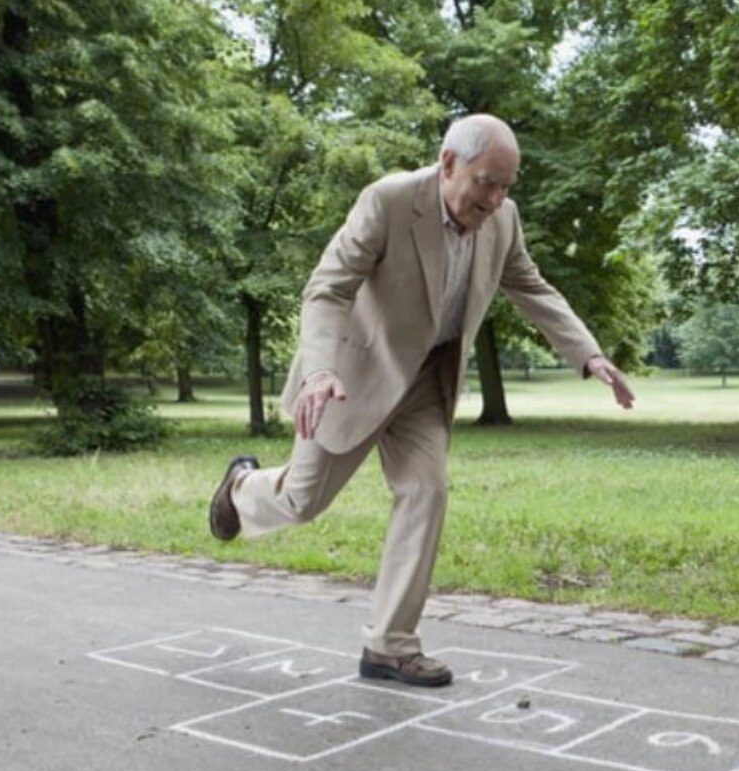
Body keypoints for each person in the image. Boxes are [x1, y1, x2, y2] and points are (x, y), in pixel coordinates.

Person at [207, 114, 635, 688]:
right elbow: (327, 288)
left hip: (426, 384)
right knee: (303, 501)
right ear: (448, 162)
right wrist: (319, 372)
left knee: (426, 491)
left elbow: (530, 285)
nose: (497, 197)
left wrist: (589, 355)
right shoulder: (388, 201)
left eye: (508, 185)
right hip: (352, 376)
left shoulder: (502, 220)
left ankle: (390, 645)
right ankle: (241, 490)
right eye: (487, 181)